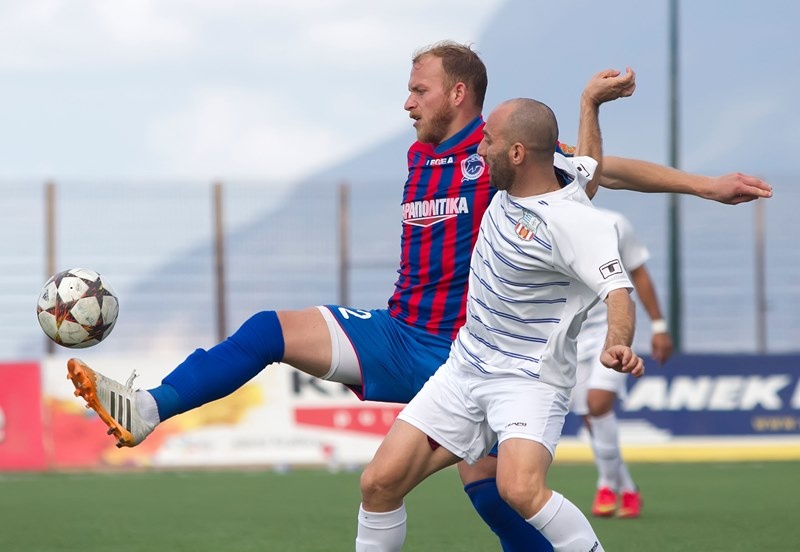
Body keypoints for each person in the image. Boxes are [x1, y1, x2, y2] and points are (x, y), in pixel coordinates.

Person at [66, 41, 771, 552]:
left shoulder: (501, 157)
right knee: (267, 331)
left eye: (419, 90)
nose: (406, 103)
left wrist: (706, 186)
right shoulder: (420, 151)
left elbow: (597, 173)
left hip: (464, 356)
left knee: (497, 499)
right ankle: (149, 408)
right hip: (401, 329)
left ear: (459, 94)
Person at [356, 94, 643, 552]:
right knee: (379, 483)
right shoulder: (540, 177)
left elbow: (618, 291)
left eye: (487, 141)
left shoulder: (575, 222)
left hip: (528, 379)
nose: (478, 150)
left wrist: (618, 342)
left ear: (517, 154)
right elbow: (594, 163)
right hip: (465, 368)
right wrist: (590, 103)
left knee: (520, 490)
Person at [568, 208, 673, 520]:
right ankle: (626, 487)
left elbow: (638, 273)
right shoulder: (543, 220)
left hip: (612, 327)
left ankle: (604, 485)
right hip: (569, 335)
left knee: (597, 403)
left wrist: (659, 326)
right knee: (589, 416)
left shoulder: (613, 223)